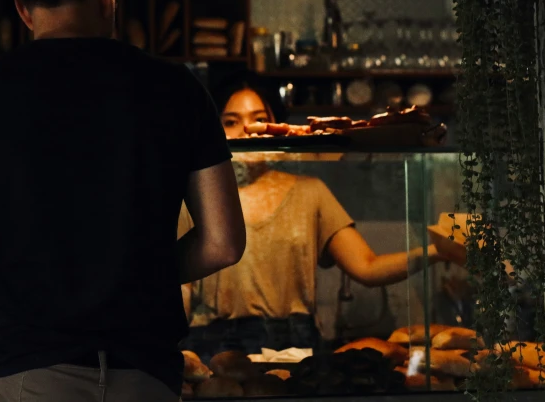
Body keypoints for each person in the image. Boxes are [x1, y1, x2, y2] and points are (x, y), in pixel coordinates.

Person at [0, 0, 245, 402]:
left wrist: (7, 297)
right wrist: (137, 277)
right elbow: (223, 243)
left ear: (23, 10)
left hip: (24, 367)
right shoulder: (177, 90)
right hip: (144, 373)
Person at [180, 79, 448, 361]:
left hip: (294, 344)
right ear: (215, 129)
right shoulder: (198, 199)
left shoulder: (310, 192)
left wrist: (437, 251)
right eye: (231, 121)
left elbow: (367, 267)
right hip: (213, 344)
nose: (249, 131)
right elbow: (180, 286)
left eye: (260, 120)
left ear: (275, 126)